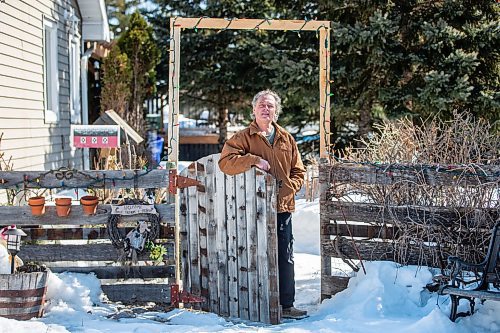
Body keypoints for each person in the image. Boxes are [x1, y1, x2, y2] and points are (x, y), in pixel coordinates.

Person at [218, 89, 307, 319]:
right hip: (253, 210)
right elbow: (225, 162)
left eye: (270, 106)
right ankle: (255, 304)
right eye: (262, 106)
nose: (266, 109)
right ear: (254, 110)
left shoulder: (286, 138)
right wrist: (254, 160)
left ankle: (286, 305)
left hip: (282, 206)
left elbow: (299, 170)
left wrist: (292, 186)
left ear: (276, 111)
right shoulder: (243, 138)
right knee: (255, 255)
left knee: (284, 256)